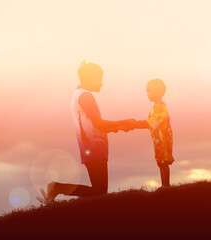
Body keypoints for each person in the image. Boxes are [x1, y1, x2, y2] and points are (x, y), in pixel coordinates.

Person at [43, 61, 136, 200]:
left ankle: (57, 188)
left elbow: (95, 125)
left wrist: (118, 127)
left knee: (99, 191)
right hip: (94, 147)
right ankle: (57, 187)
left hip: (92, 147)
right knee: (100, 192)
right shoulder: (85, 96)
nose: (102, 83)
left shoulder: (78, 94)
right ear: (90, 79)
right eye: (99, 79)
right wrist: (124, 121)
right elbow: (99, 123)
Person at [133, 79, 174, 187]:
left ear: (157, 92)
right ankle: (164, 185)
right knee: (160, 162)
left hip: (163, 140)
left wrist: (133, 124)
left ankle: (166, 185)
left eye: (149, 91)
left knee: (163, 162)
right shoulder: (155, 107)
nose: (147, 94)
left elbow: (150, 123)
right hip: (157, 140)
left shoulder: (161, 108)